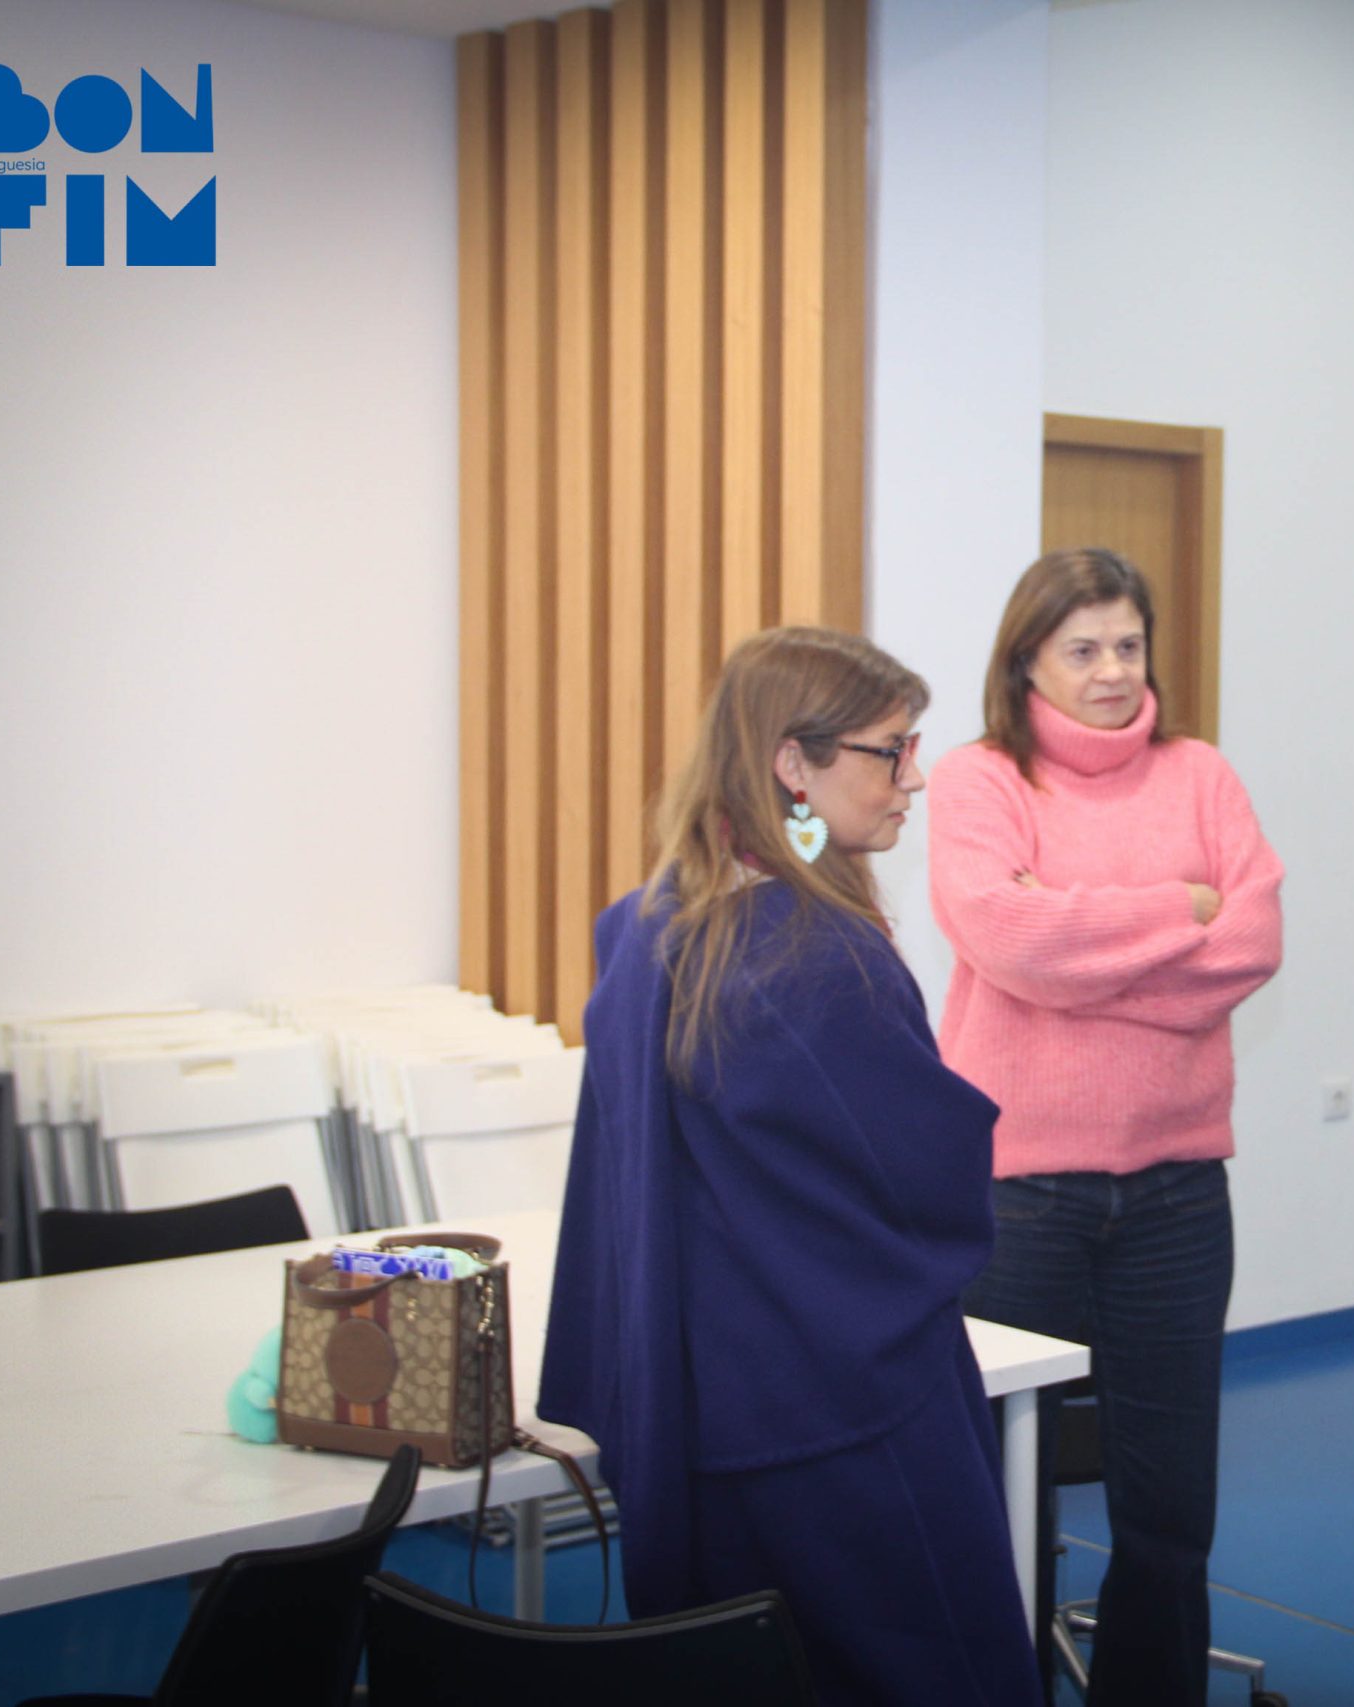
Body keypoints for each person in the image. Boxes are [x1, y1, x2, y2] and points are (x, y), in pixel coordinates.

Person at [540, 626, 1040, 1706]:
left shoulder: (645, 928)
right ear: (792, 765)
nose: (914, 780)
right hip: (840, 1413)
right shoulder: (817, 956)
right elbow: (928, 1171)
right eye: (890, 751)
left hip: (695, 1411)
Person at [928, 548, 1284, 1707]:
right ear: (1027, 659)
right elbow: (1006, 940)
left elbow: (1251, 946)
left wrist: (1072, 948)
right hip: (1017, 1192)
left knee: (1170, 1506)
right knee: (998, 1491)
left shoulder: (1201, 776)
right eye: (1081, 649)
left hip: (1178, 1194)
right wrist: (1178, 910)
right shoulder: (980, 782)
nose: (1112, 670)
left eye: (1127, 644)